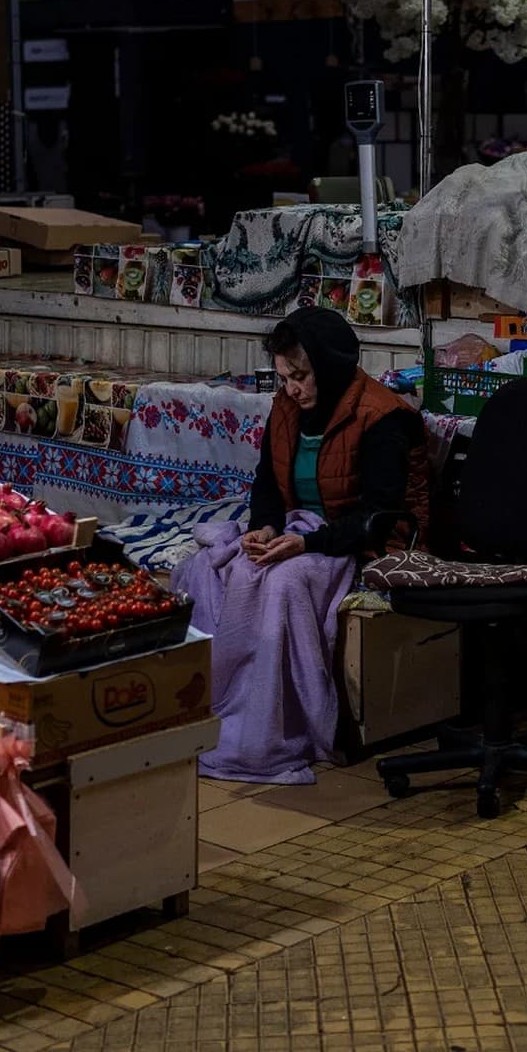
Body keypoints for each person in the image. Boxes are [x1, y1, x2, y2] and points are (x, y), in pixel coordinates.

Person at [174, 307, 430, 784]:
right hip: (304, 531)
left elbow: (378, 517)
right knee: (207, 568)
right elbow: (267, 483)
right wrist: (266, 528)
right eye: (285, 377)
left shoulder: (383, 417)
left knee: (282, 584)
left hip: (365, 545)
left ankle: (272, 726)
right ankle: (213, 710)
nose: (291, 388)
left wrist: (305, 543)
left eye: (300, 376)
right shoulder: (286, 408)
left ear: (330, 366)